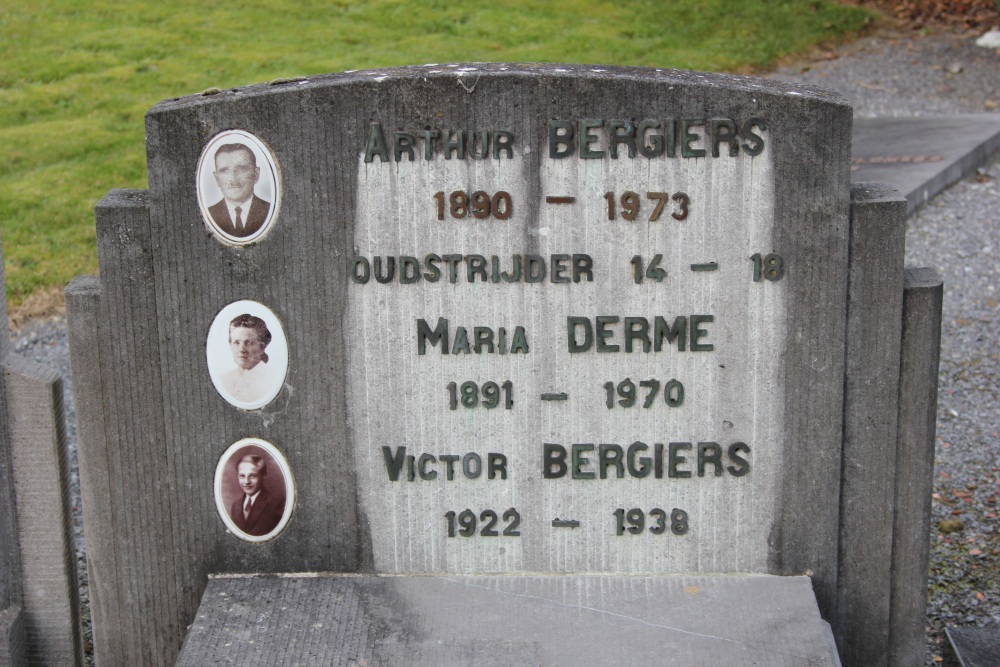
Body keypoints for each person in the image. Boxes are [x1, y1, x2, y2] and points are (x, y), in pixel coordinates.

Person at [207, 143, 271, 237]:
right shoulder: (210, 215)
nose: (233, 179)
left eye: (241, 169)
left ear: (256, 174)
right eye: (224, 171)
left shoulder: (269, 211)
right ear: (217, 179)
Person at [220, 314, 279, 404]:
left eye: (248, 343)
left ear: (262, 347)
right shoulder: (223, 381)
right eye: (236, 342)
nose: (241, 349)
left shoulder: (273, 379)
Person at [228, 451, 284, 537]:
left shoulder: (276, 503)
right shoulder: (236, 506)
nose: (246, 482)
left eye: (252, 476)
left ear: (264, 475)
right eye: (242, 476)